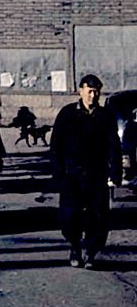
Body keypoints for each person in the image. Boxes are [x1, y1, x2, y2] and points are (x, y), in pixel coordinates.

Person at [50, 74, 123, 269]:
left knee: (98, 216)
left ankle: (91, 252)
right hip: (72, 174)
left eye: (96, 91)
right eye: (89, 91)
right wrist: (57, 173)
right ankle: (75, 246)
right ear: (80, 91)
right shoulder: (67, 114)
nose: (93, 95)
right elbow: (56, 145)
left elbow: (113, 145)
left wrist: (115, 172)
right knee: (69, 214)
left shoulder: (105, 116)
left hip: (96, 174)